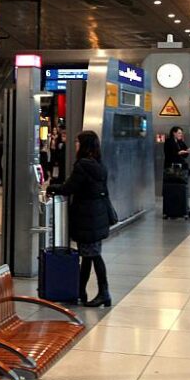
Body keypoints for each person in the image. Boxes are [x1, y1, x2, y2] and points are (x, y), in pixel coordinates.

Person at [62, 131, 115, 307]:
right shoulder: (100, 165)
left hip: (87, 217)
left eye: (78, 142)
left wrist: (53, 188)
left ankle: (104, 292)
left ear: (84, 145)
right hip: (97, 216)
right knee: (87, 255)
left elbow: (70, 187)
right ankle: (80, 291)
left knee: (94, 255)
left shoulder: (82, 166)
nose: (75, 145)